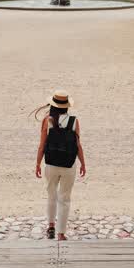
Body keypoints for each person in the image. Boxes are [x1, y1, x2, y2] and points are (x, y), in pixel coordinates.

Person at [34, 90, 86, 241]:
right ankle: (61, 234)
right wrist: (83, 163)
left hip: (51, 163)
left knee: (51, 195)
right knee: (64, 198)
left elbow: (42, 145)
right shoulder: (74, 121)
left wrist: (38, 163)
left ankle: (51, 226)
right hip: (69, 164)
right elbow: (78, 144)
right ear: (67, 106)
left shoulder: (47, 120)